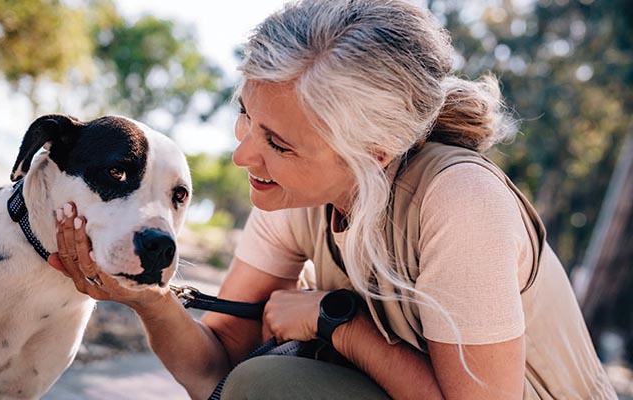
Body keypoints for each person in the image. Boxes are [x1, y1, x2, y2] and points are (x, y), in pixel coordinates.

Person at [48, 0, 616, 398]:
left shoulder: (460, 201)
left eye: (279, 143)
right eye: (246, 116)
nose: (243, 156)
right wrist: (151, 300)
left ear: (374, 151)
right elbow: (213, 375)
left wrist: (336, 324)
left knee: (273, 382)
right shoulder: (293, 193)